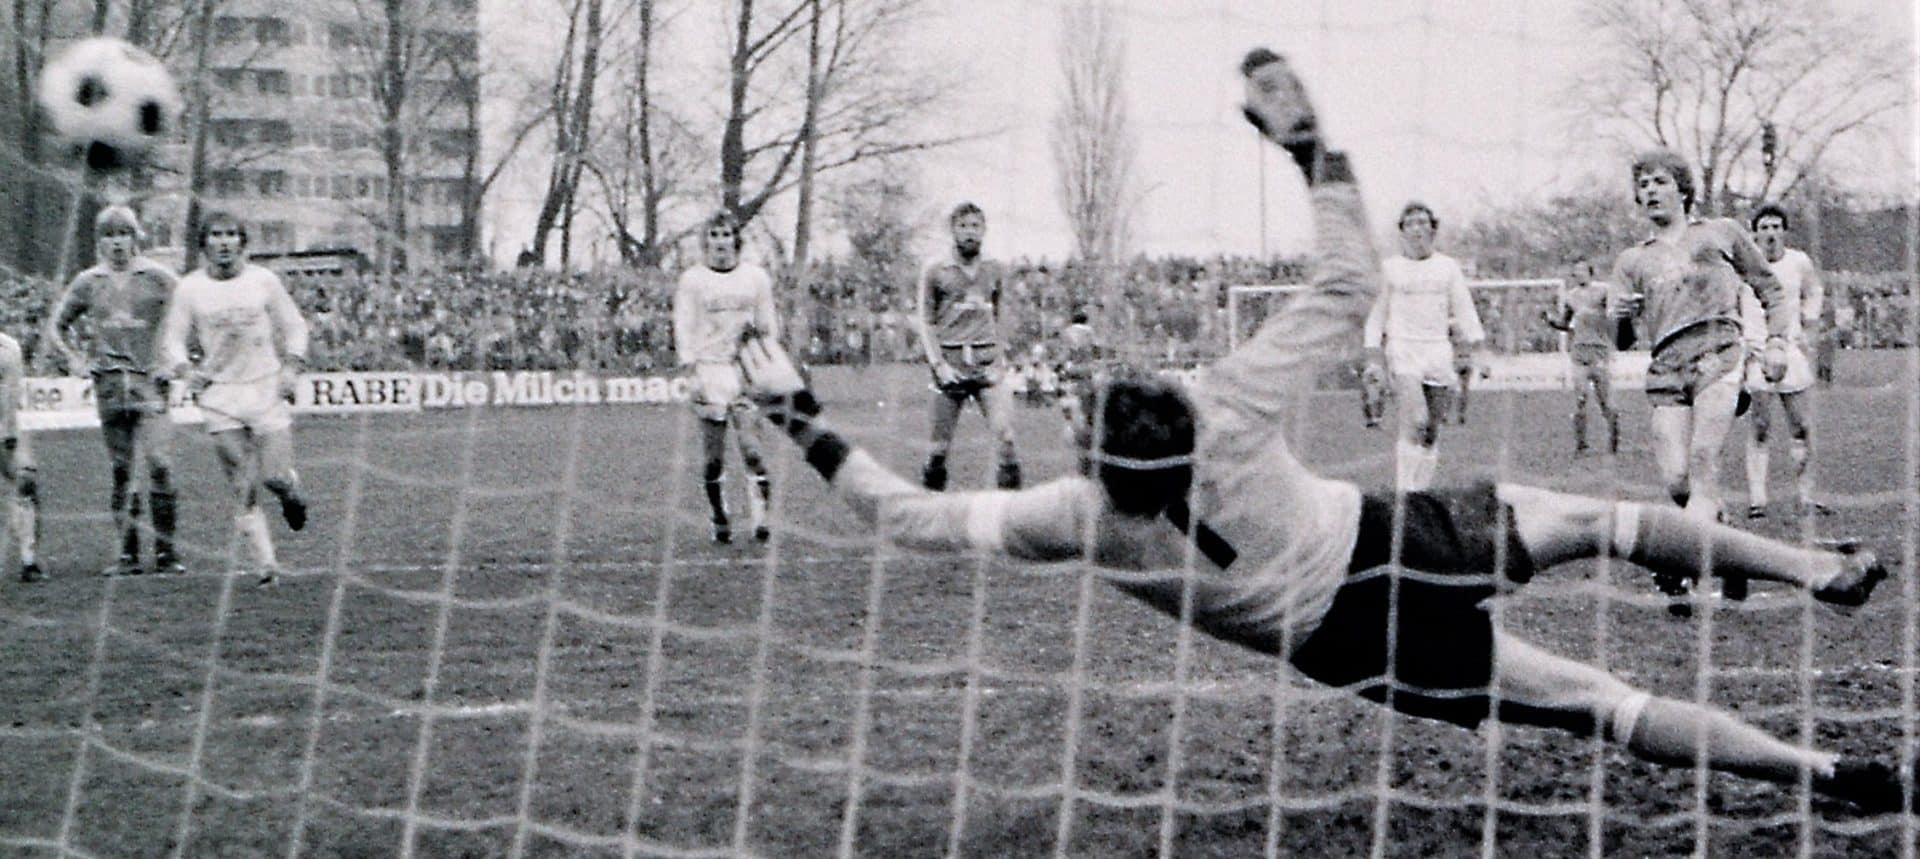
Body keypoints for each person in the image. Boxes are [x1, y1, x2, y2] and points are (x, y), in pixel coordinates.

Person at [732, 48, 1906, 815]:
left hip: (1344, 639)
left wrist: (795, 414)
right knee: (1611, 519)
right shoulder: (1227, 406)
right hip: (1405, 535)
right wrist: (1309, 147)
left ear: (1097, 464)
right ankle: (1815, 568)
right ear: (1180, 417)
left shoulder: (1073, 517)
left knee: (1603, 704)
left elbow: (907, 514)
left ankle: (1831, 775)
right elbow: (1346, 276)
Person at [1610, 149, 1793, 526]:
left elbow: (1770, 289)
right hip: (1667, 369)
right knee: (1678, 482)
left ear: (1683, 190)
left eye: (1660, 181)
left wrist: (1776, 342)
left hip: (1719, 355)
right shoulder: (1631, 261)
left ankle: (1686, 560)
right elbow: (1621, 340)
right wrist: (1623, 319)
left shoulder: (1720, 233)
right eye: (1643, 185)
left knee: (1702, 460)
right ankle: (1729, 549)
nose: (1650, 190)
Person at [156, 212, 311, 585]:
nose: (223, 242)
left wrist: (290, 368)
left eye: (230, 235)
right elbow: (172, 339)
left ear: (243, 242)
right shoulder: (190, 288)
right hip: (220, 395)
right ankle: (266, 567)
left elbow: (294, 325)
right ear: (204, 243)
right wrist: (184, 370)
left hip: (265, 387)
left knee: (273, 477)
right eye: (215, 235)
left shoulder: (263, 280)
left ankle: (291, 493)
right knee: (242, 482)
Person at [45, 205, 182, 576]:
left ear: (137, 237)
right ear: (100, 241)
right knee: (122, 470)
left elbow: (189, 314)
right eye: (109, 235)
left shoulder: (159, 277)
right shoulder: (88, 281)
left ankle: (168, 554)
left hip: (150, 383)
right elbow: (56, 328)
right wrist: (74, 360)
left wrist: (173, 359)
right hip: (109, 385)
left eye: (124, 234)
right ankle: (128, 555)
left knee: (160, 464)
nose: (117, 242)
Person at [1363, 200, 1488, 491]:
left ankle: (1421, 493)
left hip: (1438, 351)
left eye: (1422, 222)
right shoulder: (1390, 269)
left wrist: (1479, 349)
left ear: (1432, 229)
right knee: (1416, 420)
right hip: (1403, 349)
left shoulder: (1447, 267)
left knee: (1431, 431)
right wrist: (1372, 356)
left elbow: (1464, 309)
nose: (1417, 228)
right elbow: (1376, 316)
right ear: (1402, 231)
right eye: (1410, 223)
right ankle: (1405, 493)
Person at [673, 211, 776, 544]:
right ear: (706, 242)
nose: (720, 242)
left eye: (726, 234)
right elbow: (683, 328)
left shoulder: (756, 278)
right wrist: (692, 373)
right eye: (714, 235)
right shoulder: (693, 280)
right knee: (713, 458)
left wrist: (765, 360)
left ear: (736, 240)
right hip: (708, 370)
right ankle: (719, 514)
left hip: (744, 369)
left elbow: (768, 325)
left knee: (753, 450)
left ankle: (761, 521)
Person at [916, 202, 1022, 491]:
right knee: (937, 451)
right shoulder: (935, 269)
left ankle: (1010, 516)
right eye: (963, 226)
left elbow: (1002, 317)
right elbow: (925, 322)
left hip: (987, 365)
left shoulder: (995, 268)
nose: (969, 232)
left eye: (975, 226)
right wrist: (939, 365)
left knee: (1007, 438)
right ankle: (931, 514)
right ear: (953, 230)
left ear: (984, 230)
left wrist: (999, 361)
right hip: (950, 366)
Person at [1739, 202, 1828, 520]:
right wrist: (1742, 342)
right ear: (1755, 232)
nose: (1771, 233)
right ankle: (1757, 499)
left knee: (1801, 425)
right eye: (1764, 227)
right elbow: (1730, 303)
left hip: (1789, 349)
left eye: (1776, 226)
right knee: (1761, 425)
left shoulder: (1798, 261)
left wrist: (1807, 323)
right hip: (1757, 351)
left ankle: (1806, 496)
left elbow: (1814, 291)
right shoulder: (1744, 265)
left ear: (1785, 231)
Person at [1542, 257, 1620, 455]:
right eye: (1576, 270)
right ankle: (1581, 445)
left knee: (1606, 402)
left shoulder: (1603, 292)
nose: (1579, 273)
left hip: (1600, 352)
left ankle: (1613, 439)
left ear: (1590, 272)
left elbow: (1616, 315)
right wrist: (1550, 321)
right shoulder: (1571, 297)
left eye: (1582, 270)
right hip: (1579, 353)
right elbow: (1565, 324)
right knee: (1580, 399)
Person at [0, 332, 40, 582]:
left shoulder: (8, 347)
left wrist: (10, 429)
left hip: (3, 429)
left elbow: (11, 393)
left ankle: (29, 560)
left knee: (24, 484)